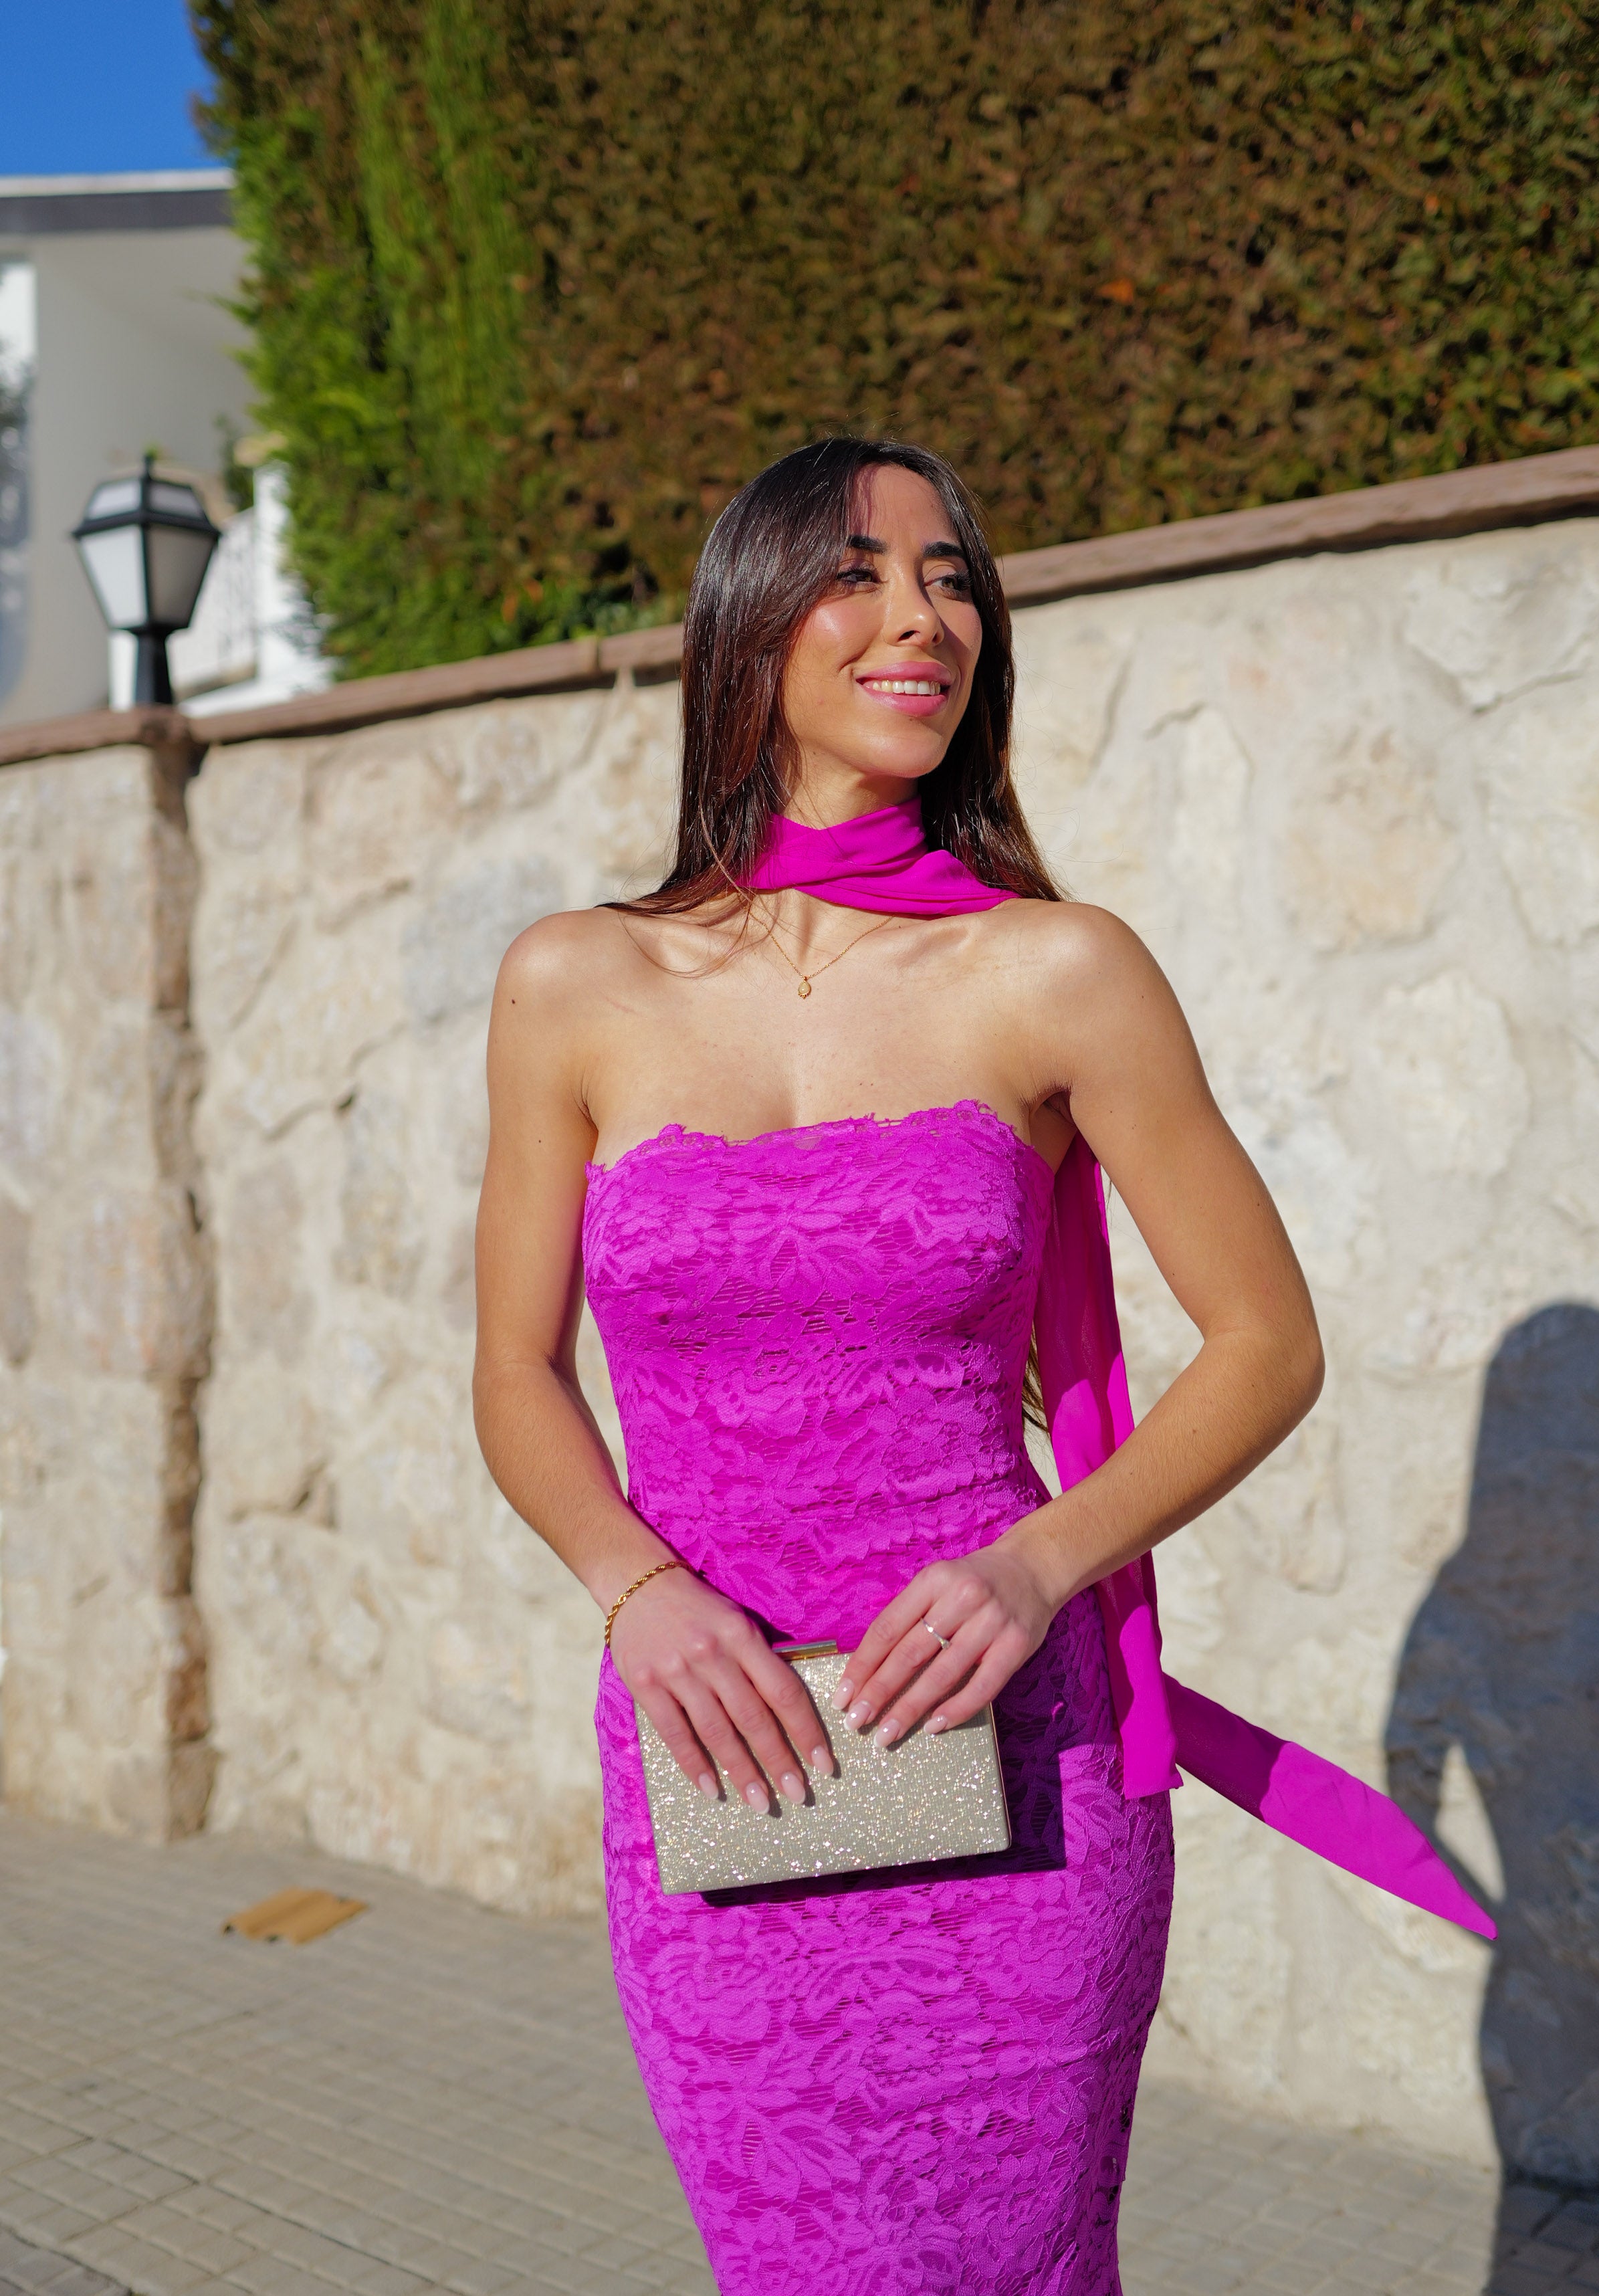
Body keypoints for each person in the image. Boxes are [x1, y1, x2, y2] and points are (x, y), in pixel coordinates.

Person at [471, 437, 1326, 2295]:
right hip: (721, 1748)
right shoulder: (572, 984)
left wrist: (1038, 1562)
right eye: (861, 571)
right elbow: (515, 1376)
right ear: (748, 623)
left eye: (952, 575)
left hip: (1022, 1759)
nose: (923, 615)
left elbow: (1267, 1343)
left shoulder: (1061, 971)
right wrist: (637, 1593)